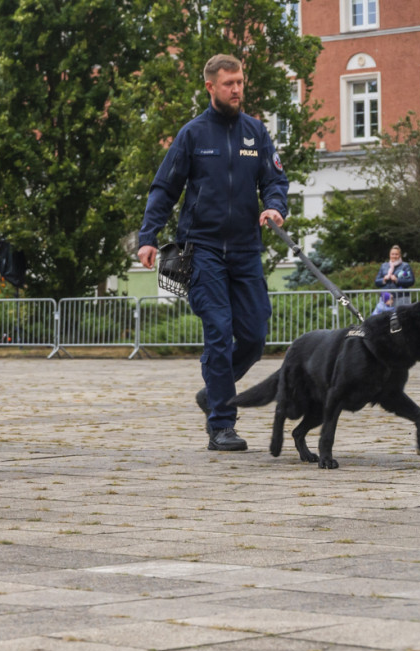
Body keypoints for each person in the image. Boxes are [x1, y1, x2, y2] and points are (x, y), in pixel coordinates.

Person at [136, 54, 289, 452]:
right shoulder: (192, 135)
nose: (237, 89)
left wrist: (275, 206)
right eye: (228, 84)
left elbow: (275, 180)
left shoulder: (256, 132)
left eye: (240, 82)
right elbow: (164, 189)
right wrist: (148, 237)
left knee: (255, 336)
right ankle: (221, 423)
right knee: (219, 331)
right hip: (200, 249)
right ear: (210, 87)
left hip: (245, 250)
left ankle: (213, 391)